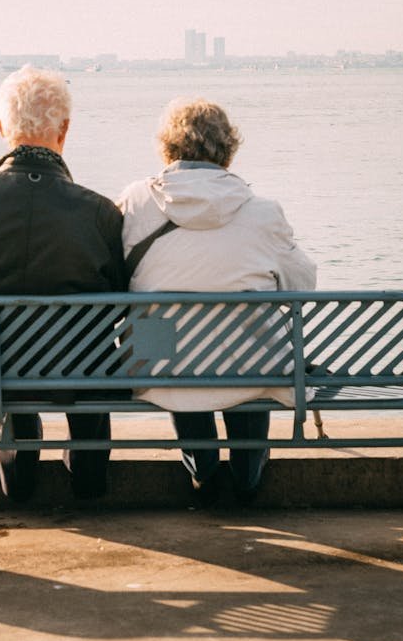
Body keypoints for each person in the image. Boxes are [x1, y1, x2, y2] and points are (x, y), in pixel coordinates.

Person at [0, 65, 127, 501]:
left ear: (2, 127)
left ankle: (18, 478)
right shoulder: (100, 212)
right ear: (64, 130)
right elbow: (119, 298)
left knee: (0, 350)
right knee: (89, 355)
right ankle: (89, 483)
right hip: (78, 372)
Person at [117, 98, 316, 504]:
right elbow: (302, 285)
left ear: (167, 147)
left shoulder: (136, 200)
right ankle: (246, 471)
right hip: (250, 367)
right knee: (249, 344)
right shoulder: (263, 212)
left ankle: (202, 466)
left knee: (169, 340)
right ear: (229, 149)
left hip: (163, 366)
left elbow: (118, 278)